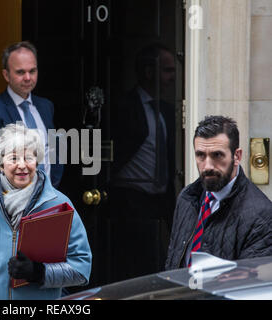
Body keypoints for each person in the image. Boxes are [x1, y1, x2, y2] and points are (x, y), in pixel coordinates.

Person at [0, 123, 92, 300]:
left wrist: (39, 272)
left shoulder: (59, 205)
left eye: (28, 158)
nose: (22, 165)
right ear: (0, 164)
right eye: (13, 158)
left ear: (37, 162)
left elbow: (82, 268)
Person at [165, 115, 272, 270]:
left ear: (237, 156)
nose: (207, 166)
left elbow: (249, 286)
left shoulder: (262, 216)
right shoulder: (187, 198)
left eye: (217, 155)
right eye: (200, 155)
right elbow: (173, 262)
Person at [107, 43, 176, 281]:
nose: (172, 78)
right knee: (134, 270)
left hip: (160, 203)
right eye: (167, 70)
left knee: (160, 267)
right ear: (149, 72)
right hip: (130, 202)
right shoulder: (122, 108)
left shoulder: (168, 111)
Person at [0, 41, 63, 193]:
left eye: (32, 71)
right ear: (6, 75)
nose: (28, 77)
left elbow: (52, 153)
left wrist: (51, 189)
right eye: (20, 72)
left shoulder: (46, 107)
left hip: (47, 198)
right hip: (11, 204)